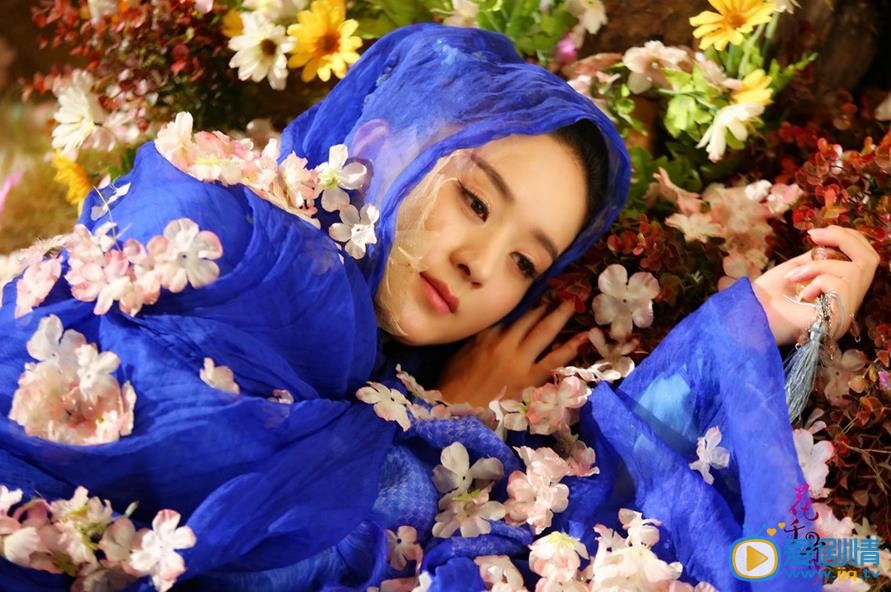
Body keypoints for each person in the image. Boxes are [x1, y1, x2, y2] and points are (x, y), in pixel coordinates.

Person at [0, 23, 878, 592]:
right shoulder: (227, 239)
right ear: (378, 142)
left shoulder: (387, 360)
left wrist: (758, 317)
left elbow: (602, 473)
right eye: (474, 199)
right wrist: (440, 421)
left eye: (525, 260)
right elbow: (261, 552)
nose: (479, 266)